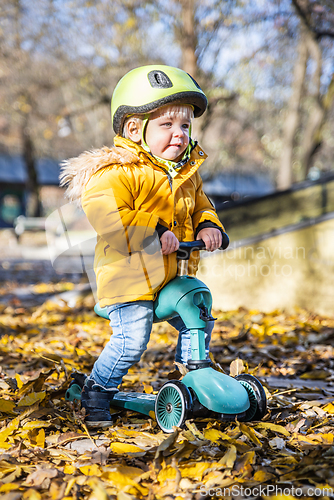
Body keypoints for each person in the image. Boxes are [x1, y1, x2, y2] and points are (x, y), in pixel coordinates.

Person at [60, 65, 227, 426]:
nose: (180, 134)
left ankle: (193, 376)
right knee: (132, 341)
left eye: (185, 126)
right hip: (127, 278)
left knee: (197, 307)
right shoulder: (116, 172)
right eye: (167, 125)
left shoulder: (186, 173)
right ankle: (97, 394)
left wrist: (209, 224)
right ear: (135, 130)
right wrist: (154, 229)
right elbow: (109, 218)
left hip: (169, 276)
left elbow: (201, 204)